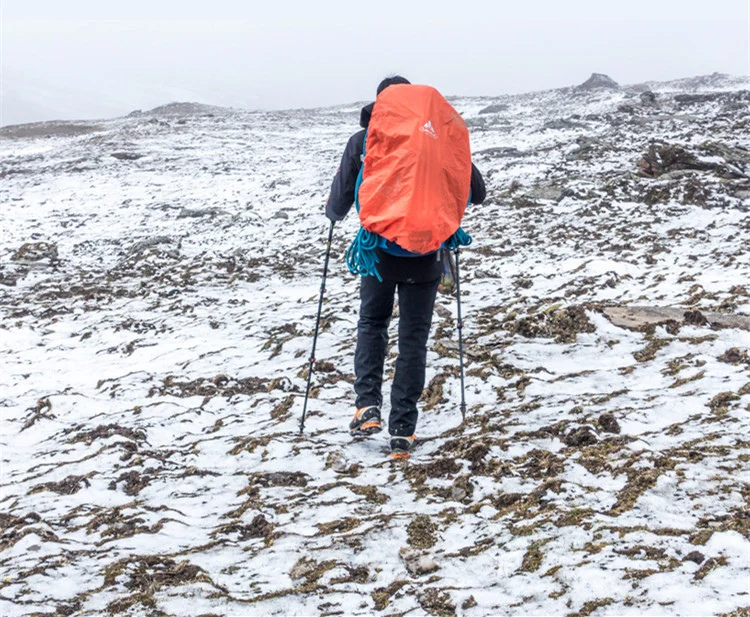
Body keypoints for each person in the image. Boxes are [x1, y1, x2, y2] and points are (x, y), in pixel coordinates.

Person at [325, 76, 486, 458]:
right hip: (426, 255)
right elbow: (477, 192)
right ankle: (403, 430)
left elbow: (338, 203)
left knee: (372, 323)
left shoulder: (363, 141)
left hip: (378, 254)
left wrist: (334, 214)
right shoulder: (438, 143)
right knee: (413, 340)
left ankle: (367, 405)